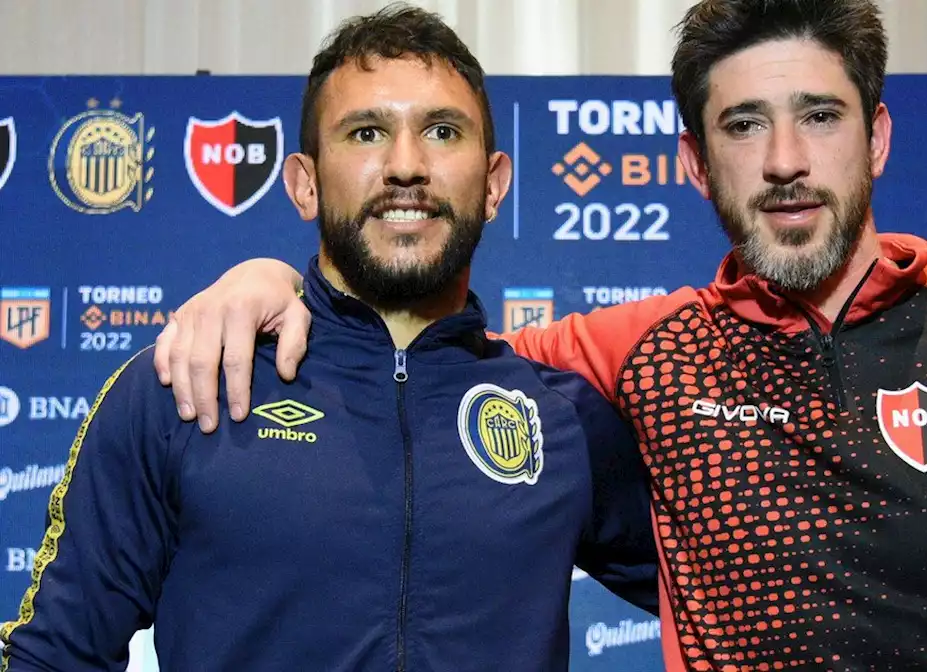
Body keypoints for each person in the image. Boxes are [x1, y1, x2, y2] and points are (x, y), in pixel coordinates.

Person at [149, 0, 927, 670]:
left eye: (819, 116)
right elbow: (414, 350)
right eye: (743, 125)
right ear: (696, 165)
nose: (785, 157)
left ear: (876, 136)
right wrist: (266, 279)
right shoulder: (626, 359)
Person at [0, 6, 658, 671]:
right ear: (304, 184)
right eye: (367, 131)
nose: (406, 165)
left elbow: (737, 596)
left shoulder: (562, 420)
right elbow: (54, 658)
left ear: (493, 187)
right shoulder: (184, 382)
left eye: (440, 130)